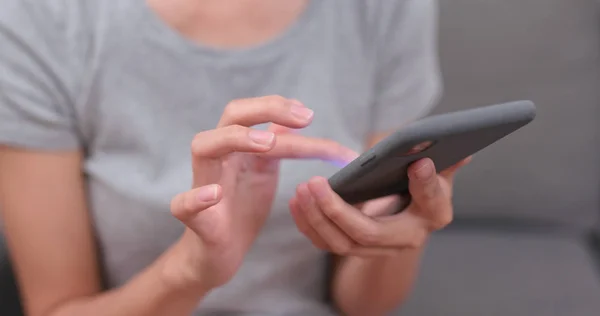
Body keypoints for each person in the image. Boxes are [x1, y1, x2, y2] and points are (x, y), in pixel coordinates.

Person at [0, 0, 469, 315]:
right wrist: (189, 271)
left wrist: (400, 229)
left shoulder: (383, 9)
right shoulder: (40, 18)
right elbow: (59, 307)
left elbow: (363, 304)